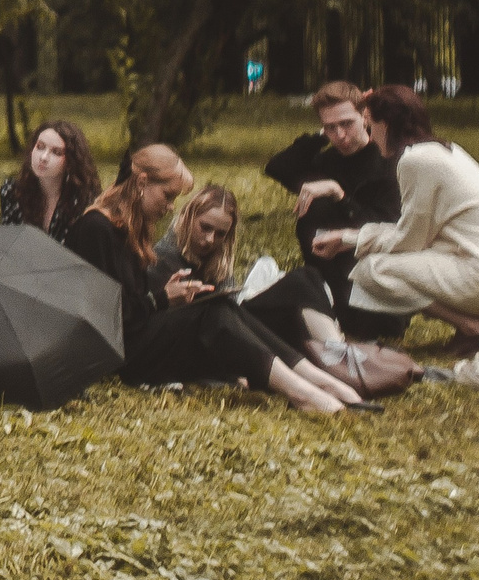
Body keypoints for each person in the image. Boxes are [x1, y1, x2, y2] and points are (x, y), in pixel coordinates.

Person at [63, 145, 368, 414]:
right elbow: (111, 319)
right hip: (120, 357)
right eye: (168, 196)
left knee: (223, 306)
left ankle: (320, 381)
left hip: (135, 343)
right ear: (142, 182)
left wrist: (165, 296)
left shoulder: (128, 226)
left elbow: (132, 303)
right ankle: (303, 393)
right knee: (211, 314)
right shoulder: (97, 228)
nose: (170, 207)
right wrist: (163, 298)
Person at [312, 85, 479, 390]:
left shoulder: (415, 161)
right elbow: (416, 233)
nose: (370, 132)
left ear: (385, 124)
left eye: (370, 123)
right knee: (389, 261)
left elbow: (409, 241)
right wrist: (351, 237)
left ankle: (475, 327)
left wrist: (350, 240)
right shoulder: (442, 149)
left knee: (372, 269)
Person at [246, 83, 412, 351]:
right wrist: (320, 137)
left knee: (323, 205)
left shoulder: (387, 163)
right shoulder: (326, 161)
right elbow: (278, 167)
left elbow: (386, 230)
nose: (340, 135)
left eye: (346, 123)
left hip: (374, 283)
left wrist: (339, 195)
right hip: (328, 278)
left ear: (365, 117)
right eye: (330, 127)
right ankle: (323, 300)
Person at [0, 119, 100, 241]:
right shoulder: (12, 192)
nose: (44, 157)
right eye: (40, 147)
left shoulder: (81, 200)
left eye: (56, 152)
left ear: (70, 162)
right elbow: (10, 243)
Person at [153, 183, 239, 284]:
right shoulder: (161, 259)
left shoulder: (220, 264)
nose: (210, 239)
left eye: (220, 234)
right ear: (189, 219)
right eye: (205, 228)